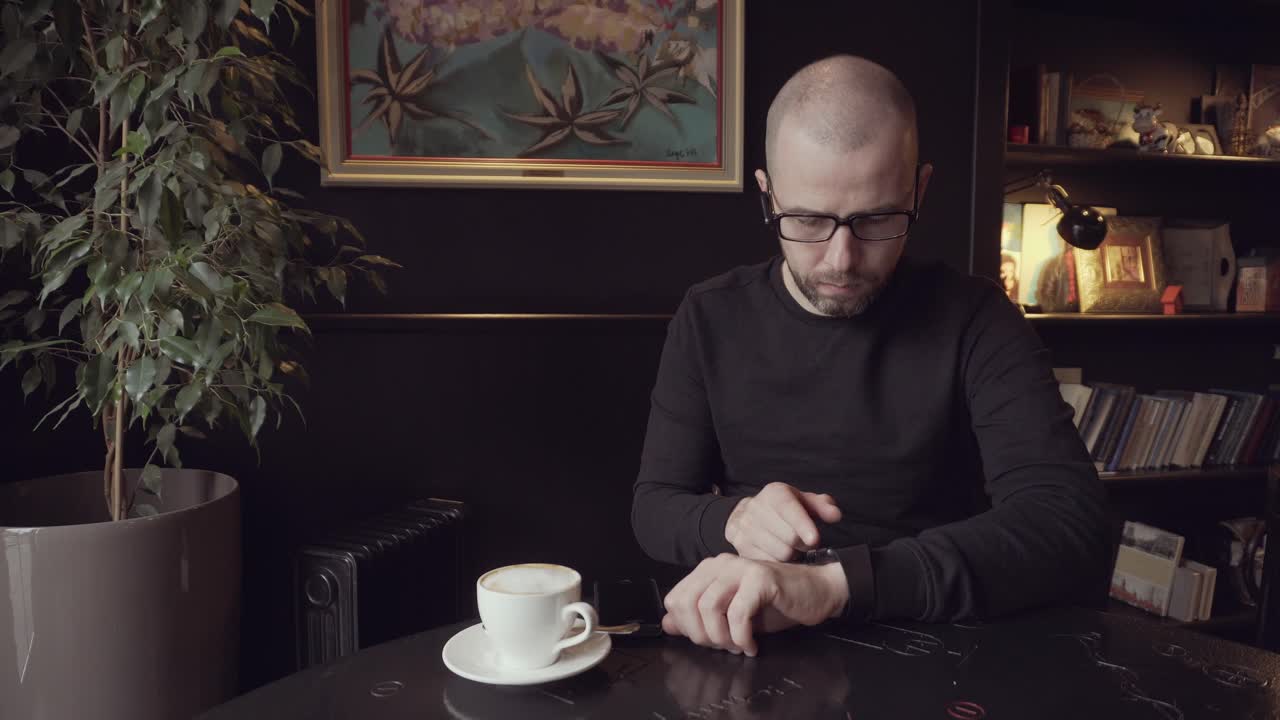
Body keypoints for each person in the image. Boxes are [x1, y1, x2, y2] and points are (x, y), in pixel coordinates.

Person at [630, 55, 1114, 658]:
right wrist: (732, 520)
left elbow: (1069, 524)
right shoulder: (709, 316)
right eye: (805, 220)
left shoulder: (977, 318)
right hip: (755, 642)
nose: (840, 260)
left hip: (939, 645)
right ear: (767, 194)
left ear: (920, 189)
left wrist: (834, 587)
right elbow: (653, 507)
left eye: (877, 219)